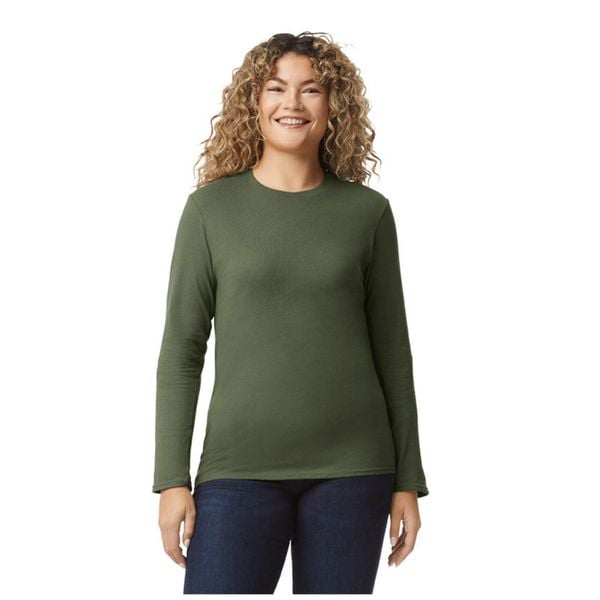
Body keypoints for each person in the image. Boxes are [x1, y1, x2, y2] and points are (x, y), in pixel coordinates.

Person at [153, 31, 430, 594]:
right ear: (253, 102)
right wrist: (170, 480)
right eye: (276, 88)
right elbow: (182, 351)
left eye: (312, 89)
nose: (292, 103)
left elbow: (393, 353)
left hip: (354, 470)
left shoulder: (367, 213)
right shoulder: (210, 211)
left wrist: (408, 479)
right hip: (237, 470)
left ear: (334, 106)